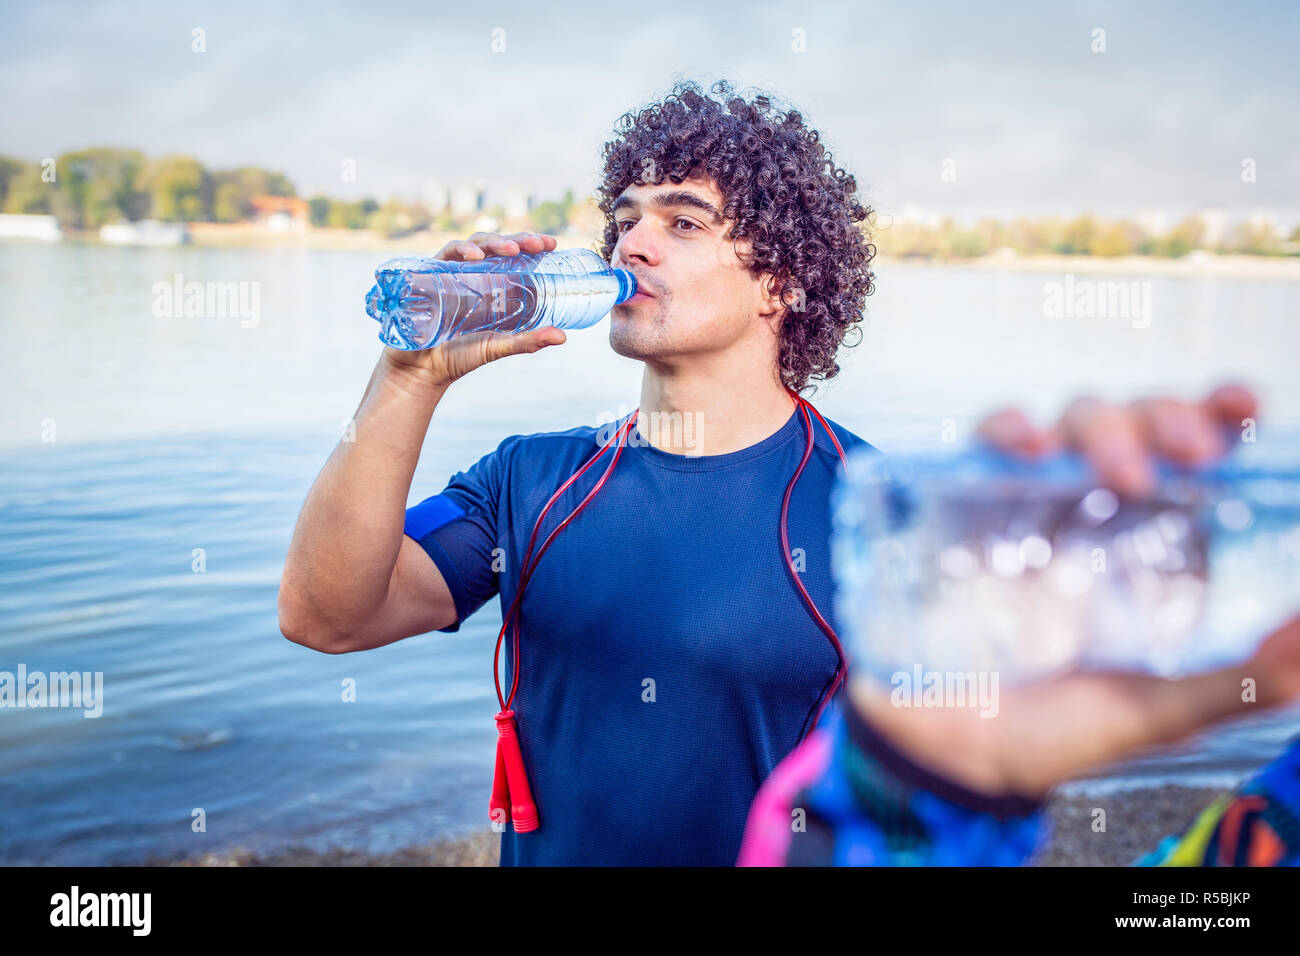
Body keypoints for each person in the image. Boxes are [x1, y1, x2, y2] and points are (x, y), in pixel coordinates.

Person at [277, 78, 1265, 866]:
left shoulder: (876, 508)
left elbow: (939, 767)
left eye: (683, 220)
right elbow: (328, 614)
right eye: (623, 216)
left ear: (780, 280)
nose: (631, 240)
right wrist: (406, 379)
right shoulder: (529, 480)